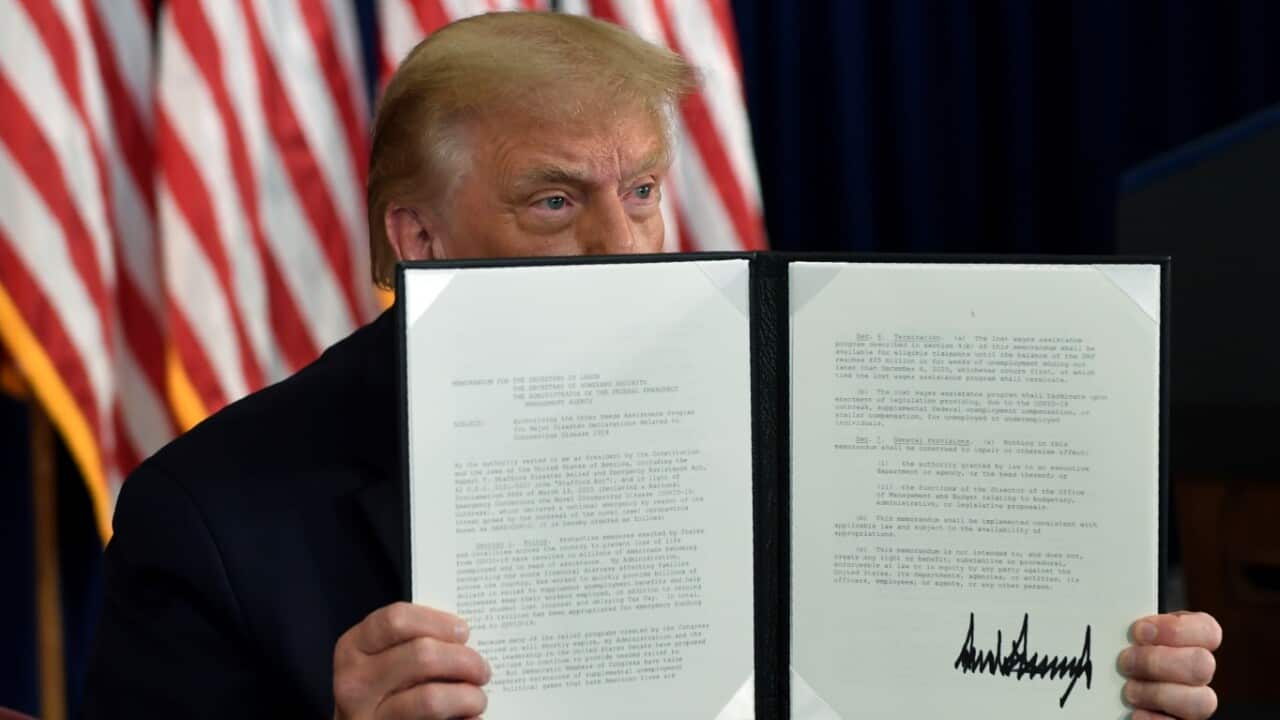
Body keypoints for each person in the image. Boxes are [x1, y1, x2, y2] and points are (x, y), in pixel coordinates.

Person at [84, 11, 1221, 720]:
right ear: (417, 238)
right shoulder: (211, 512)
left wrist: (1108, 698)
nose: (622, 246)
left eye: (639, 192)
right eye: (553, 201)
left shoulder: (801, 422)